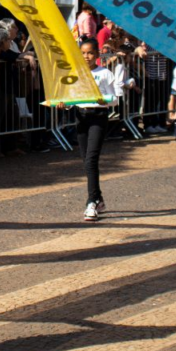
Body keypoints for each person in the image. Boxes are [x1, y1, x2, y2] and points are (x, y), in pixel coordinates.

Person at [58, 38, 121, 222]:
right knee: (86, 160)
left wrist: (105, 100)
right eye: (83, 53)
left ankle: (91, 202)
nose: (87, 57)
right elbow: (71, 96)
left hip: (98, 117)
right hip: (81, 117)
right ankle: (99, 198)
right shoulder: (76, 73)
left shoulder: (105, 73)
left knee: (91, 160)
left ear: (97, 54)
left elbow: (115, 98)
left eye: (90, 53)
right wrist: (65, 105)